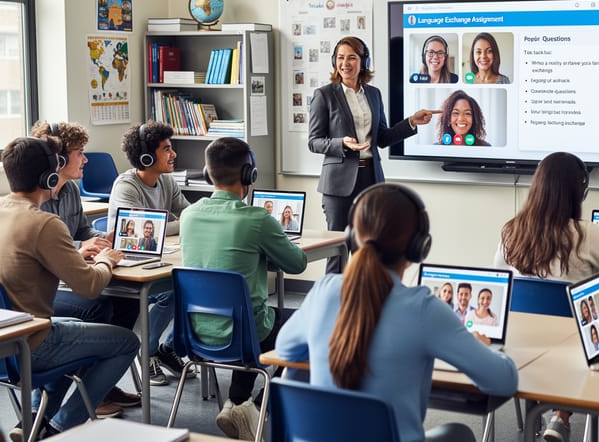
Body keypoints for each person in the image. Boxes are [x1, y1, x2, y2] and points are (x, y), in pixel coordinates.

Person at [275, 183, 517, 442]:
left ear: (352, 237)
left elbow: (285, 349)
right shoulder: (424, 309)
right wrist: (484, 347)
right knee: (460, 434)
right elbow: (503, 381)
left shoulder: (325, 290)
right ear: (419, 246)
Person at [493, 151, 599, 442]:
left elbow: (498, 283)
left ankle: (556, 415)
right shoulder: (585, 233)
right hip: (579, 346)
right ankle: (560, 416)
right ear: (581, 191)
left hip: (520, 344)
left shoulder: (510, 230)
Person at [0, 137, 140, 441]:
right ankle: (62, 425)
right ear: (50, 177)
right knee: (126, 341)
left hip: (6, 341)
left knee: (76, 326)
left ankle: (34, 421)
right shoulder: (45, 224)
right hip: (33, 343)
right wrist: (106, 261)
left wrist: (73, 256)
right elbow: (89, 286)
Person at [180, 137, 308, 440]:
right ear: (250, 174)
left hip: (196, 334)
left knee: (246, 313)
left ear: (208, 173)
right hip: (247, 334)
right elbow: (297, 264)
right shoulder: (257, 219)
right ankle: (259, 404)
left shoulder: (189, 215)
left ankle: (236, 403)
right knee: (316, 327)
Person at [29, 121, 141, 417]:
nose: (86, 159)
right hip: (50, 290)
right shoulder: (36, 207)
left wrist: (99, 239)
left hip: (63, 279)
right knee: (97, 306)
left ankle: (97, 383)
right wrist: (82, 253)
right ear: (60, 161)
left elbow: (81, 228)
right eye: (80, 153)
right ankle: (90, 393)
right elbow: (50, 260)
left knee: (122, 305)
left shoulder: (69, 192)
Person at [307, 36, 438, 274]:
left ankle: (365, 301)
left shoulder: (374, 94)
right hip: (338, 184)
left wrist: (411, 122)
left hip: (371, 179)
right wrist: (341, 144)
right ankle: (335, 304)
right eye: (340, 58)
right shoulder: (324, 95)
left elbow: (383, 138)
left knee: (369, 248)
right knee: (338, 248)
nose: (345, 63)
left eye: (352, 57)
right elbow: (314, 141)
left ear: (363, 62)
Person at [107, 121, 194, 386]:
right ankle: (149, 352)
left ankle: (166, 349)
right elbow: (139, 236)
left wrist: (175, 224)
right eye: (166, 149)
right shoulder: (127, 186)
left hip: (159, 258)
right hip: (126, 267)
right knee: (173, 290)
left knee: (189, 284)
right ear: (146, 156)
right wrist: (176, 225)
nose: (174, 154)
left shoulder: (166, 181)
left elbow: (190, 214)